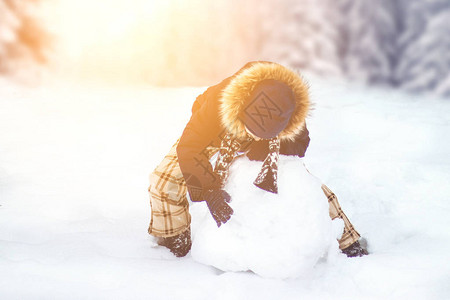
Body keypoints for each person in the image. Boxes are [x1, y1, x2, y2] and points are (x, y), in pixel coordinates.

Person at [147, 61, 368, 258]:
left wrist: (263, 150)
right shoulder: (219, 102)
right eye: (249, 130)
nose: (249, 136)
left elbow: (300, 147)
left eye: (255, 134)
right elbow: (190, 146)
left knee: (300, 182)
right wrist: (209, 189)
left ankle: (348, 239)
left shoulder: (291, 112)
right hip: (218, 128)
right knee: (164, 179)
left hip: (268, 143)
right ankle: (173, 237)